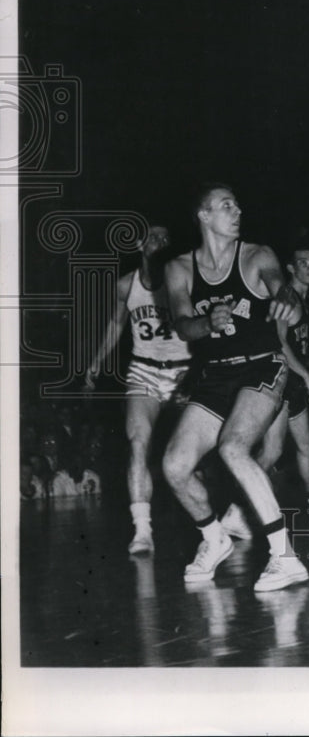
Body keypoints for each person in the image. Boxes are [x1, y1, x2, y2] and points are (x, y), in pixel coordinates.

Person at [162, 183, 308, 593]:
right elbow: (183, 325)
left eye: (239, 204)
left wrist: (286, 301)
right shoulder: (178, 268)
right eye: (226, 205)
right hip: (215, 375)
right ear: (204, 216)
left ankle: (285, 556)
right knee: (174, 466)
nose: (237, 210)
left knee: (233, 447)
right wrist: (207, 324)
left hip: (263, 366)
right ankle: (215, 539)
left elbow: (283, 289)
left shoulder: (257, 254)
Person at [220, 246, 309, 538]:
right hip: (281, 378)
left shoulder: (303, 300)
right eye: (302, 263)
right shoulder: (286, 298)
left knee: (297, 446)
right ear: (291, 268)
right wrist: (306, 374)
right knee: (276, 451)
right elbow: (278, 342)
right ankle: (236, 511)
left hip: (288, 380)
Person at [84, 223, 192, 553]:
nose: (160, 241)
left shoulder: (183, 277)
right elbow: (116, 324)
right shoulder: (125, 285)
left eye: (166, 237)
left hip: (183, 371)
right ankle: (142, 530)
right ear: (140, 244)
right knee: (137, 443)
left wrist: (198, 374)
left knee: (198, 452)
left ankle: (226, 516)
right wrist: (96, 362)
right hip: (143, 371)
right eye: (154, 236)